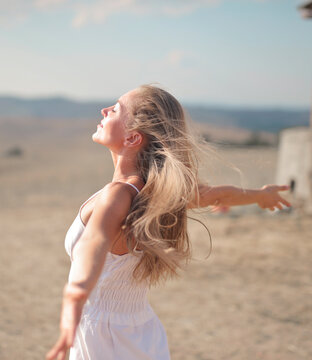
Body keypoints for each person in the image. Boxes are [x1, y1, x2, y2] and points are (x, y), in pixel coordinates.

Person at [46, 85, 291, 360]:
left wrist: (76, 295)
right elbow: (219, 194)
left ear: (132, 138)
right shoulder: (159, 191)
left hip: (103, 334)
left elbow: (96, 241)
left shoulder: (119, 194)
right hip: (139, 328)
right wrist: (261, 196)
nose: (104, 111)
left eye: (115, 109)